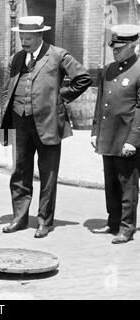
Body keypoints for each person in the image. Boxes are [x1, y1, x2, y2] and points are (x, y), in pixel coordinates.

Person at [0, 16, 92, 238]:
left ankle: (45, 221)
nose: (24, 42)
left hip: (48, 122)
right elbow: (8, 88)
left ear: (40, 35)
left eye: (28, 38)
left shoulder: (59, 55)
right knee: (20, 171)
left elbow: (83, 78)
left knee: (48, 174)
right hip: (19, 121)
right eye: (22, 37)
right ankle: (19, 218)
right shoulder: (17, 57)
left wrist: (60, 98)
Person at [90, 24, 140, 244]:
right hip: (108, 135)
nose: (115, 51)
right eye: (114, 47)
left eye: (120, 48)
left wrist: (133, 140)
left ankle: (127, 227)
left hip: (126, 137)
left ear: (133, 46)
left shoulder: (139, 69)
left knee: (127, 184)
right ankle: (113, 222)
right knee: (110, 182)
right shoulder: (108, 69)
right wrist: (94, 131)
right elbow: (100, 102)